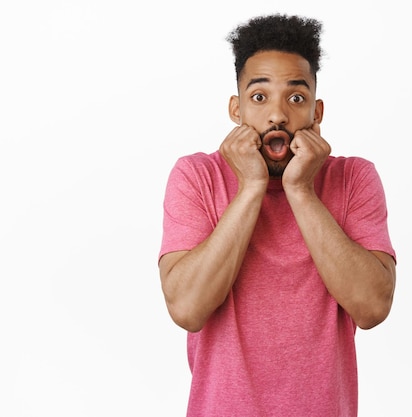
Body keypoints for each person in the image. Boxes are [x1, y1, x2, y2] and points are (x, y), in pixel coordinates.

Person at [158, 14, 396, 417]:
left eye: (296, 98)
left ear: (317, 112)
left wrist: (301, 190)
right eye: (259, 97)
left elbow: (372, 307)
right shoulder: (196, 176)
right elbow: (187, 309)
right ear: (236, 109)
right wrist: (251, 187)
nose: (278, 116)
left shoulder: (353, 177)